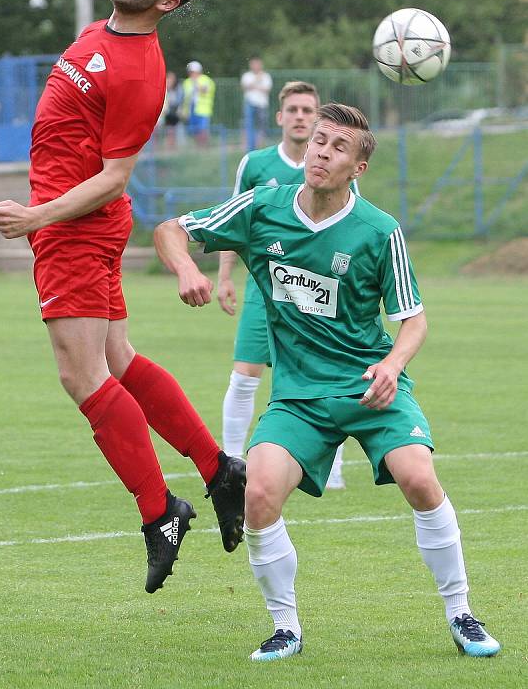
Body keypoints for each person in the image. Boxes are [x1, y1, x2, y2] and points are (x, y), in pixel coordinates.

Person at [153, 102, 501, 660]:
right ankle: (285, 626)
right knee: (259, 493)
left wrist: (391, 367)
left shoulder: (378, 230)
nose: (321, 152)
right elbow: (171, 228)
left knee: (417, 477)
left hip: (370, 387)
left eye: (339, 147)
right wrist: (187, 267)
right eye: (319, 140)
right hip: (298, 398)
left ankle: (462, 613)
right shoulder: (263, 206)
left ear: (357, 168)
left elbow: (414, 320)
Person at [0, 0, 246, 596]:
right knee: (118, 362)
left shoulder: (141, 71)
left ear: (169, 1)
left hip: (75, 227)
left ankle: (162, 513)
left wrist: (38, 216)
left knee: (83, 375)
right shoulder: (100, 30)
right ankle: (218, 470)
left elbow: (117, 176)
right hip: (68, 225)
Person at [218, 81, 347, 489]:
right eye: (293, 110)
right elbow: (231, 223)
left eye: (308, 111)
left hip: (317, 291)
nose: (300, 117)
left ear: (318, 119)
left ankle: (334, 466)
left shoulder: (336, 168)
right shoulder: (255, 164)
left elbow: (348, 224)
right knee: (244, 374)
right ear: (280, 117)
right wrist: (224, 277)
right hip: (263, 287)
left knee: (329, 375)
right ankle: (230, 462)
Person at [241, 57, 272, 152]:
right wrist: (257, 80)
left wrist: (254, 86)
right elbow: (245, 86)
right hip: (249, 103)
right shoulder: (247, 75)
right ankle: (250, 146)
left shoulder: (266, 76)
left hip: (262, 104)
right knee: (249, 125)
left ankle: (260, 145)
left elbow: (267, 89)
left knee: (262, 126)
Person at [181, 60, 216, 145]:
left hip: (203, 109)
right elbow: (185, 98)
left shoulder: (206, 80)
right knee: (194, 130)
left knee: (203, 129)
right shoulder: (186, 82)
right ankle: (198, 147)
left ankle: (204, 146)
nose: (191, 74)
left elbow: (205, 90)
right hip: (191, 109)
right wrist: (184, 111)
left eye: (193, 72)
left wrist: (195, 83)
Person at [162, 70, 184, 149]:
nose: (169, 81)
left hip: (175, 113)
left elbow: (179, 101)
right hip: (166, 114)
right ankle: (167, 147)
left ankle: (175, 147)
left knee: (175, 131)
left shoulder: (178, 89)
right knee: (168, 131)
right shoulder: (163, 89)